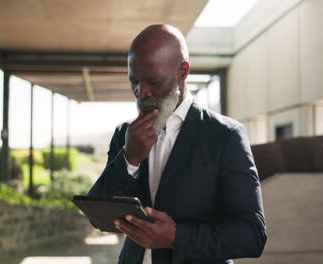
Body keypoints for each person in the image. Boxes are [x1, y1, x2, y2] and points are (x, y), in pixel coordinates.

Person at [87, 24, 267, 264]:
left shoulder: (226, 136)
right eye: (134, 82)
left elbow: (251, 235)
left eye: (153, 81)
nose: (142, 92)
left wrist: (176, 237)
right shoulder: (125, 134)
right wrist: (129, 159)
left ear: (183, 71)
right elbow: (99, 216)